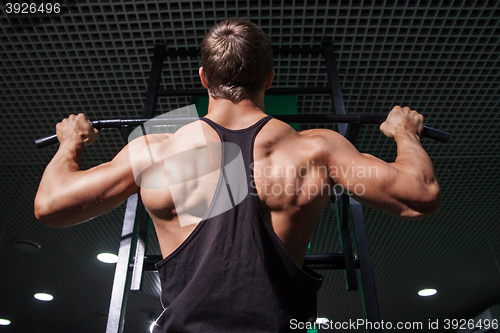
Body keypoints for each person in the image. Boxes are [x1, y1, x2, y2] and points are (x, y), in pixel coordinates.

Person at [35, 18, 441, 332]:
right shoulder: (317, 149)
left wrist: (70, 142)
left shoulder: (155, 150)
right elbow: (420, 194)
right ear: (269, 78)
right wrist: (405, 134)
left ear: (204, 79)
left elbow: (51, 206)